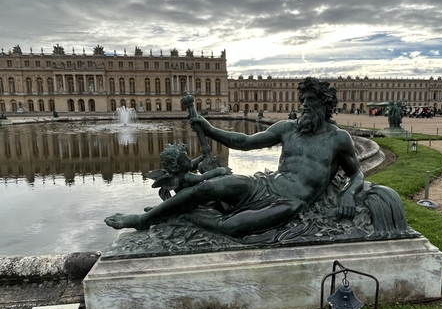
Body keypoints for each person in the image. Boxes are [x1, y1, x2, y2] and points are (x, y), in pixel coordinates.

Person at [105, 77, 364, 237]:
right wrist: (209, 129)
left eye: (310, 100)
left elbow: (356, 174)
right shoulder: (288, 128)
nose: (304, 104)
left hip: (291, 202)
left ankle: (179, 214)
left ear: (325, 104)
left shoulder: (338, 139)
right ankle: (143, 220)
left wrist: (349, 194)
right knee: (208, 187)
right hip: (265, 184)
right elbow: (245, 142)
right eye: (303, 99)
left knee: (231, 227)